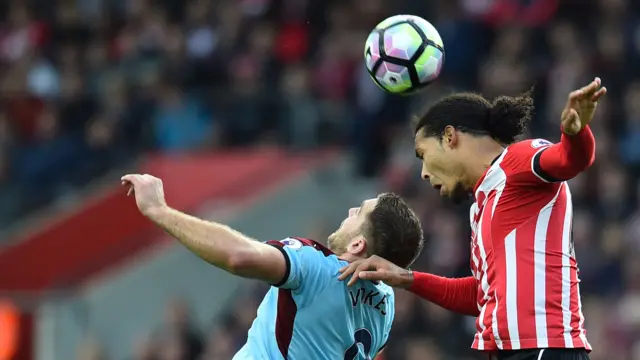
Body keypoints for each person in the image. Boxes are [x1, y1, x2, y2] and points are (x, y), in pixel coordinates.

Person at [339, 78, 607, 360]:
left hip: (544, 348)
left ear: (449, 136)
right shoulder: (482, 204)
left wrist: (575, 133)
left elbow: (570, 160)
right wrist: (404, 277)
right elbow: (482, 294)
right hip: (513, 353)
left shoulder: (517, 161)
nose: (423, 173)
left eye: (423, 155)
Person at [119, 174, 424, 360]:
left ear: (358, 245)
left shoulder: (314, 265)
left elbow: (239, 256)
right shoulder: (386, 304)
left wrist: (159, 210)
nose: (350, 209)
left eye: (360, 212)